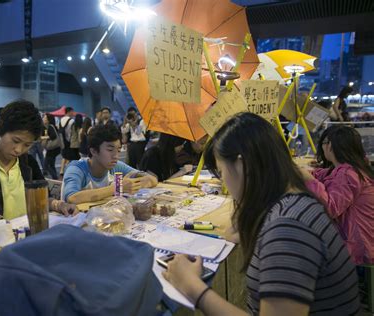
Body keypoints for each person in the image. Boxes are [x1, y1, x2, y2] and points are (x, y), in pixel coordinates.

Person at [163, 112, 359, 315]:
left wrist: (192, 287)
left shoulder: (287, 228)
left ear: (242, 165)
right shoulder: (294, 203)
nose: (224, 184)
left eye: (222, 172)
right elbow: (233, 233)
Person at [0, 100, 77, 222]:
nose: (19, 150)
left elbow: (44, 198)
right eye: (15, 141)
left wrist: (60, 205)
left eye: (27, 144)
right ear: (1, 130)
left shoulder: (29, 163)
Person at [301, 125, 374, 264]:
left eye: (323, 143)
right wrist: (308, 173)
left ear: (330, 145)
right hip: (364, 245)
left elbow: (330, 208)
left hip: (357, 252)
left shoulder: (348, 174)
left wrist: (309, 180)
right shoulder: (354, 168)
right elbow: (324, 174)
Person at [61, 124, 157, 204]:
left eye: (118, 150)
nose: (116, 156)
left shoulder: (115, 165)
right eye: (110, 150)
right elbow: (72, 198)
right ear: (94, 151)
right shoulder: (77, 168)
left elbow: (153, 179)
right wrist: (118, 187)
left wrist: (136, 184)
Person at [43, 113, 61, 180]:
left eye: (44, 118)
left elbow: (53, 136)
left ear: (48, 120)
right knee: (51, 164)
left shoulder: (50, 126)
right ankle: (55, 178)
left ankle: (55, 178)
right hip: (55, 148)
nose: (43, 119)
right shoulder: (51, 126)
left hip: (52, 148)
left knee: (48, 165)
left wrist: (44, 137)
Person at [59, 106, 75, 176]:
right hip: (69, 141)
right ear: (69, 112)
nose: (73, 113)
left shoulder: (61, 120)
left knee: (64, 156)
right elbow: (72, 132)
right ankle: (68, 172)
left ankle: (62, 170)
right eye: (72, 112)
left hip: (62, 141)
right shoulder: (71, 120)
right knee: (70, 157)